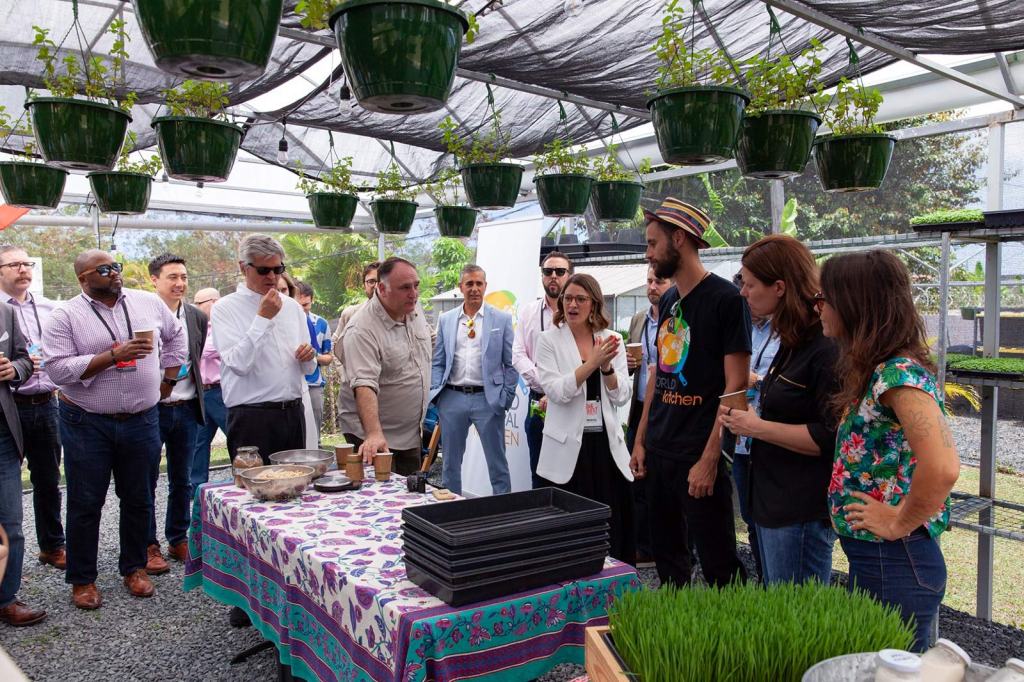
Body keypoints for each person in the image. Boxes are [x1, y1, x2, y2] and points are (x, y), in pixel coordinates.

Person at [819, 250, 960, 652]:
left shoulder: (898, 375)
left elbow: (945, 466)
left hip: (896, 558)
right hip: (882, 559)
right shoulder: (881, 370)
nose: (819, 308)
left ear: (854, 302)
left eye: (824, 298)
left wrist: (899, 520)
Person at [43, 250, 186, 609]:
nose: (114, 274)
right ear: (82, 279)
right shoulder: (65, 315)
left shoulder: (147, 302)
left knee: (139, 497)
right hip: (86, 421)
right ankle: (83, 579)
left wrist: (168, 379)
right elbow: (57, 370)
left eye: (116, 267)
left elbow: (177, 336)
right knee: (86, 502)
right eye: (103, 270)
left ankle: (134, 567)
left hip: (142, 417)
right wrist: (113, 355)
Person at [630, 198, 750, 588]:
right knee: (668, 561)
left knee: (718, 565)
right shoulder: (668, 300)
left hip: (698, 454)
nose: (648, 255)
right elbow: (660, 375)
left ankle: (730, 642)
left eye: (652, 244)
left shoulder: (726, 301)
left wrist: (712, 457)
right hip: (660, 451)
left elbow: (735, 388)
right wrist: (641, 439)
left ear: (679, 239)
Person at [719, 235, 839, 585]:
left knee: (797, 620)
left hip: (799, 511)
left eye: (750, 284)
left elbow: (828, 437)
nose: (743, 292)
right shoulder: (792, 341)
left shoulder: (824, 347)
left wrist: (754, 427)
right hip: (771, 504)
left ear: (781, 287)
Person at [536, 274, 634, 562]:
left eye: (580, 299)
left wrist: (606, 369)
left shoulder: (612, 339)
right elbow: (556, 391)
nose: (573, 304)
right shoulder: (548, 340)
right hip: (567, 449)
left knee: (611, 523)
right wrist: (592, 363)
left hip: (604, 446)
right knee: (568, 531)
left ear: (594, 304)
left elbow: (621, 397)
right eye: (568, 298)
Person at [212, 235, 316, 464]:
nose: (272, 276)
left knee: (296, 489)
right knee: (254, 491)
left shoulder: (292, 307)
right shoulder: (224, 309)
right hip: (251, 417)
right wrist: (263, 318)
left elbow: (309, 368)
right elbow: (238, 363)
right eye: (263, 270)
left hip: (292, 413)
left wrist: (309, 356)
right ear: (243, 268)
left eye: (278, 269)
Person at [0, 245, 65, 571]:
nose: (23, 269)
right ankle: (9, 558)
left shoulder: (52, 307)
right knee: (6, 483)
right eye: (14, 265)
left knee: (48, 479)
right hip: (10, 407)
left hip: (47, 402)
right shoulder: (1, 311)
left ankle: (52, 546)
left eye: (26, 264)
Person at [430, 265, 518, 495]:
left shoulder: (501, 319)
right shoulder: (447, 320)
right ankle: (453, 516)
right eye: (469, 284)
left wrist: (505, 397)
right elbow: (438, 360)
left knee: (497, 464)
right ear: (461, 287)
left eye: (479, 283)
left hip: (488, 400)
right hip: (452, 398)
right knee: (450, 464)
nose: (474, 289)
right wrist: (437, 395)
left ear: (485, 287)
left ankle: (503, 516)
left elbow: (511, 363)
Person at [145, 253, 208, 573]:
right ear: (154, 280)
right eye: (172, 277)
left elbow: (198, 358)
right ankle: (147, 544)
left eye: (183, 276)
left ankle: (178, 537)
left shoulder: (196, 316)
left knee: (183, 479)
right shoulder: (142, 315)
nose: (180, 283)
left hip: (186, 408)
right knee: (144, 480)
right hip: (150, 409)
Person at [340, 257, 432, 476]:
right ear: (381, 289)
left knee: (409, 501)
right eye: (405, 288)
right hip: (374, 439)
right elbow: (363, 385)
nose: (414, 293)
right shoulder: (361, 329)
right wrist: (373, 434)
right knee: (375, 502)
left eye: (416, 286)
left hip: (410, 434)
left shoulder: (411, 306)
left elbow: (428, 345)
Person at [0, 297, 46, 626]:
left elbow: (24, 359)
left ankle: (6, 598)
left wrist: (14, 368)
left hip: (2, 432)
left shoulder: (4, 311)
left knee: (11, 524)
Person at [727, 288, 778, 581]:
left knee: (769, 519)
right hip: (743, 444)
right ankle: (763, 576)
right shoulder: (746, 330)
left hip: (769, 439)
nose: (745, 297)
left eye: (750, 289)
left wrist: (755, 379)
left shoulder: (784, 332)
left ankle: (772, 581)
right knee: (750, 518)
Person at [513, 251, 573, 487]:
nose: (553, 277)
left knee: (571, 473)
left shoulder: (579, 311)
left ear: (570, 275)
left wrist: (558, 389)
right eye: (548, 272)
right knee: (538, 471)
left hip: (572, 403)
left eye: (560, 272)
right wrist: (548, 385)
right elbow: (517, 353)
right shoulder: (529, 312)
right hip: (539, 401)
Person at [625, 266, 672, 567]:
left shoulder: (679, 322)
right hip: (640, 405)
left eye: (659, 281)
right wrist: (628, 364)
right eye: (649, 281)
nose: (652, 287)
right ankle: (644, 547)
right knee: (637, 478)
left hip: (668, 408)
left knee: (664, 481)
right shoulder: (639, 320)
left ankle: (668, 545)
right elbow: (633, 369)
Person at [332, 262, 379, 436]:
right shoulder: (351, 314)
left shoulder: (402, 314)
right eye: (371, 281)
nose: (375, 285)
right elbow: (335, 346)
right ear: (364, 285)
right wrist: (346, 376)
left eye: (379, 280)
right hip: (353, 397)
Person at [190, 287, 227, 488]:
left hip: (220, 391)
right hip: (201, 392)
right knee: (198, 442)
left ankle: (242, 479)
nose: (195, 307)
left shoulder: (221, 327)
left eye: (199, 303)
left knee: (235, 437)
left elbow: (204, 351)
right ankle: (196, 488)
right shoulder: (197, 327)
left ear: (213, 302)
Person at [295, 280, 332, 443]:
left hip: (314, 385)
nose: (302, 309)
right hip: (293, 387)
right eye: (299, 305)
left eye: (306, 305)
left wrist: (311, 356)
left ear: (312, 300)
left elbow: (328, 357)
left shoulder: (321, 324)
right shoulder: (287, 322)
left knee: (314, 435)